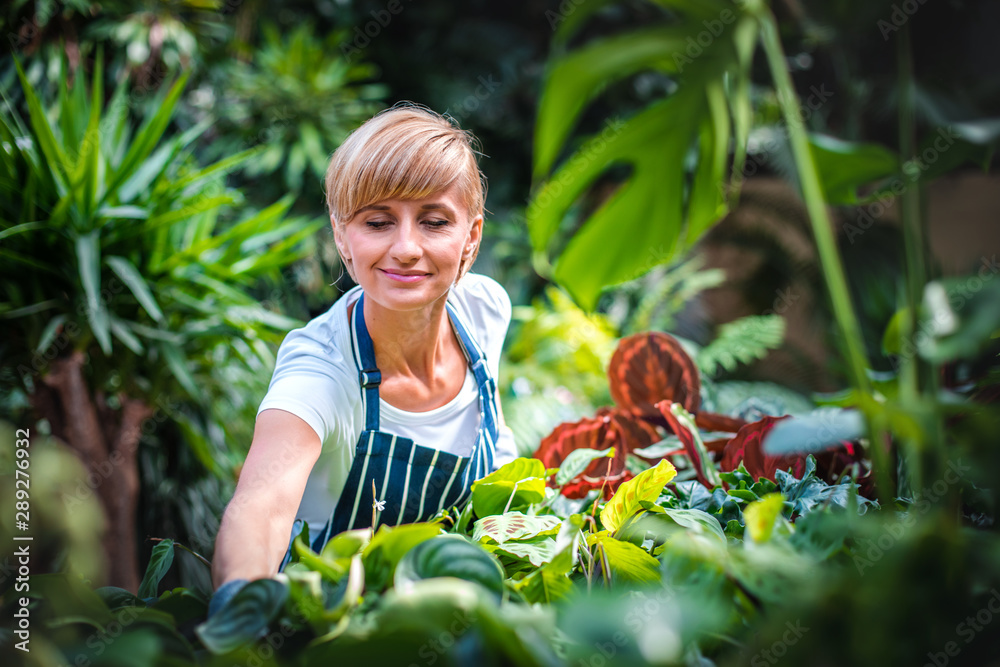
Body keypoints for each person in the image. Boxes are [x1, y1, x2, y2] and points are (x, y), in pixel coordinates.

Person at [210, 104, 517, 601]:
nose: (406, 248)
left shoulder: (484, 311)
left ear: (471, 238)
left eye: (434, 222)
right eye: (378, 222)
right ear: (341, 235)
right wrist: (241, 611)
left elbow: (493, 435)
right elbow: (260, 508)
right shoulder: (322, 373)